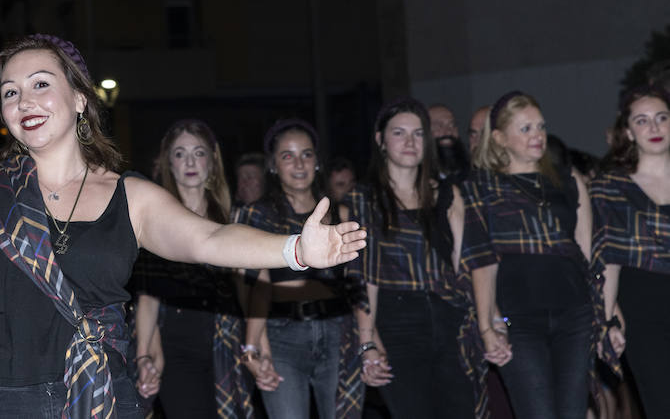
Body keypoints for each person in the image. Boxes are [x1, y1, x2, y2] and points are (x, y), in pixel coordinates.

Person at [0, 0, 365, 419]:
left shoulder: (130, 197)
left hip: (103, 394)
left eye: (41, 84)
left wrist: (295, 250)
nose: (24, 100)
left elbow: (210, 239)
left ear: (80, 100)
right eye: (9, 93)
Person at [343, 99, 484, 418]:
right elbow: (363, 276)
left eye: (418, 133)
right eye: (399, 133)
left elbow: (469, 266)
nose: (410, 142)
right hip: (396, 324)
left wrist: (485, 324)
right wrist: (368, 343)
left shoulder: (448, 194)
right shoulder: (363, 200)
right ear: (380, 140)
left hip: (450, 321)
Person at [466, 91, 594, 419]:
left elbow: (587, 252)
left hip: (574, 313)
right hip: (519, 321)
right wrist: (488, 324)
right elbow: (482, 262)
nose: (537, 135)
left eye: (540, 126)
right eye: (525, 128)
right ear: (498, 138)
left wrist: (606, 311)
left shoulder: (567, 180)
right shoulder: (482, 188)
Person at [239, 119, 363, 419]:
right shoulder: (258, 215)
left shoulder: (341, 212)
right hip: (283, 336)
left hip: (337, 332)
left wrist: (370, 341)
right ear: (273, 165)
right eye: (287, 155)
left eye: (306, 154)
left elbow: (359, 283)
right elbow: (256, 287)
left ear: (317, 162)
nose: (298, 163)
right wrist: (255, 348)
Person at [129, 119, 253, 418]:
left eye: (198, 152)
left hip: (226, 340)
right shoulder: (155, 219)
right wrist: (144, 354)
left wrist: (256, 345)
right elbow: (147, 295)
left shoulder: (233, 217)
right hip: (176, 344)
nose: (190, 162)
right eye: (180, 153)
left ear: (212, 160)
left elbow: (251, 288)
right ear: (169, 163)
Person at [590, 85, 670, 417]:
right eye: (642, 120)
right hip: (645, 306)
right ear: (628, 131)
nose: (654, 128)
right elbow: (608, 260)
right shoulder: (610, 188)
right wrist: (606, 320)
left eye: (662, 118)